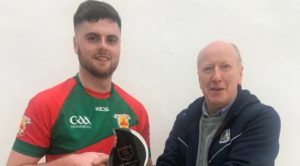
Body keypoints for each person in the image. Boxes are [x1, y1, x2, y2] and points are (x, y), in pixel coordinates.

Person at [7, 1, 152, 165]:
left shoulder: (137, 111)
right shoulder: (46, 103)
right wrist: (67, 163)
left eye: (111, 40)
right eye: (93, 38)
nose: (103, 46)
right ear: (76, 45)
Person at [156, 41, 281, 166]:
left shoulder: (262, 119)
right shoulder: (185, 119)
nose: (216, 77)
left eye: (225, 66)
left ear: (240, 74)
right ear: (199, 78)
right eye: (208, 68)